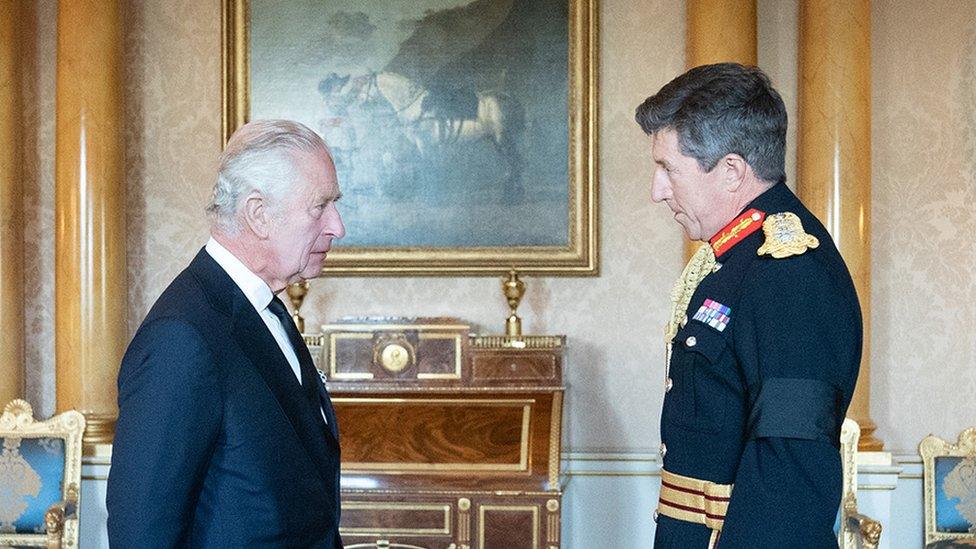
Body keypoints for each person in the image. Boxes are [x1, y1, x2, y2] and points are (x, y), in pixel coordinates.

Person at [635, 63, 862, 548]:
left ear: (732, 170)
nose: (657, 191)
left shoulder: (787, 270)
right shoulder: (737, 259)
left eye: (668, 169)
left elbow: (789, 472)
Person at [107, 120, 346, 548]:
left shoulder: (261, 308)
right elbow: (142, 535)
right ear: (259, 214)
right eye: (320, 206)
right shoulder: (181, 339)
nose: (337, 226)